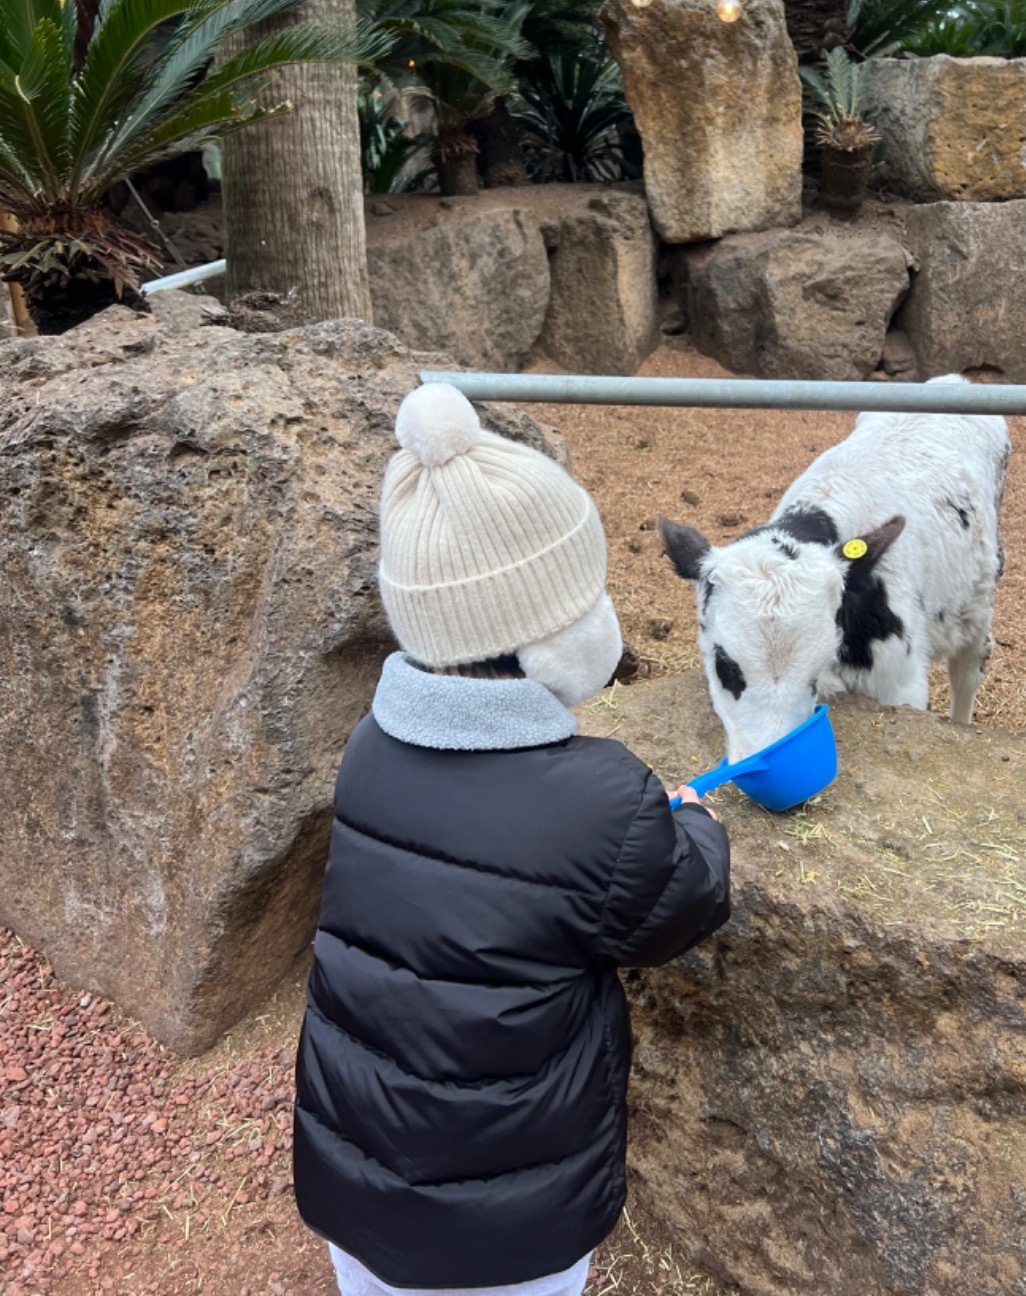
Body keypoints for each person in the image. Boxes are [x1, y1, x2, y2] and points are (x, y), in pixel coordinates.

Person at [293, 382, 732, 1296]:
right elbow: (678, 905)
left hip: (357, 1182)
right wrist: (692, 819)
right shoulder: (601, 795)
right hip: (510, 1219)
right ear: (551, 641)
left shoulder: (370, 748)